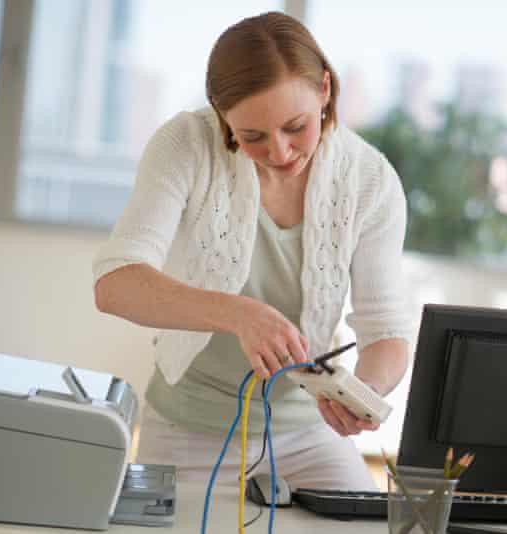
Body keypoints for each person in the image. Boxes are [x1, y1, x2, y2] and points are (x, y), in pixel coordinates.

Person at [92, 11, 412, 491]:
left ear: (325, 90)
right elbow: (116, 283)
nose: (280, 152)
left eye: (295, 127)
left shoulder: (370, 179)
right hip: (188, 430)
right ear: (222, 114)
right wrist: (237, 313)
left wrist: (363, 393)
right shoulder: (186, 145)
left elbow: (386, 330)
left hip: (310, 434)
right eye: (253, 136)